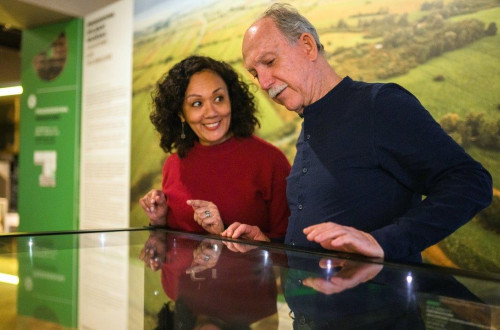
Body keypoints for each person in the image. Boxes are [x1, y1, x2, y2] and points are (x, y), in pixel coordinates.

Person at [222, 3, 493, 262]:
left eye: (269, 61)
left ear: (307, 46)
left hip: (380, 308)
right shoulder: (309, 126)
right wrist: (268, 246)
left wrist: (382, 242)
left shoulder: (379, 105)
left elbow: (471, 181)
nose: (265, 83)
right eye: (255, 74)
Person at [140, 55, 290, 241]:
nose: (211, 112)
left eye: (218, 98)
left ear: (231, 101)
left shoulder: (270, 161)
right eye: (197, 103)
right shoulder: (173, 165)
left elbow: (288, 247)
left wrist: (223, 232)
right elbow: (172, 245)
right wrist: (159, 220)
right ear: (181, 114)